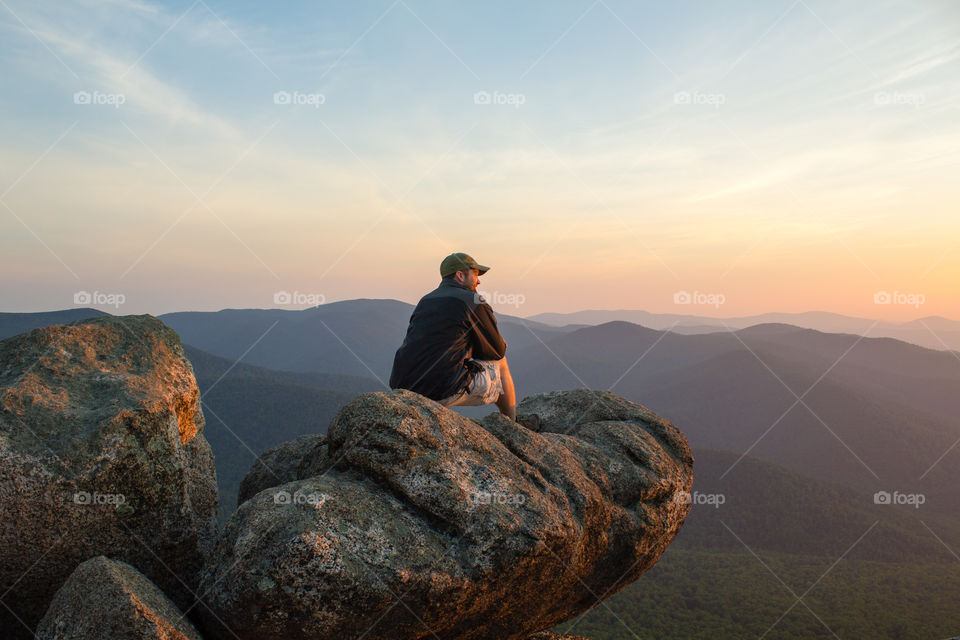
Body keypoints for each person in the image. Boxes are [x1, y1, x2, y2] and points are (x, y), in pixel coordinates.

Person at [389, 252, 517, 420]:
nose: (478, 280)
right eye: (475, 274)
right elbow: (497, 351)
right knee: (501, 364)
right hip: (440, 389)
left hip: (402, 385)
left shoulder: (425, 300)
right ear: (460, 275)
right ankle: (513, 426)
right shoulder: (473, 300)